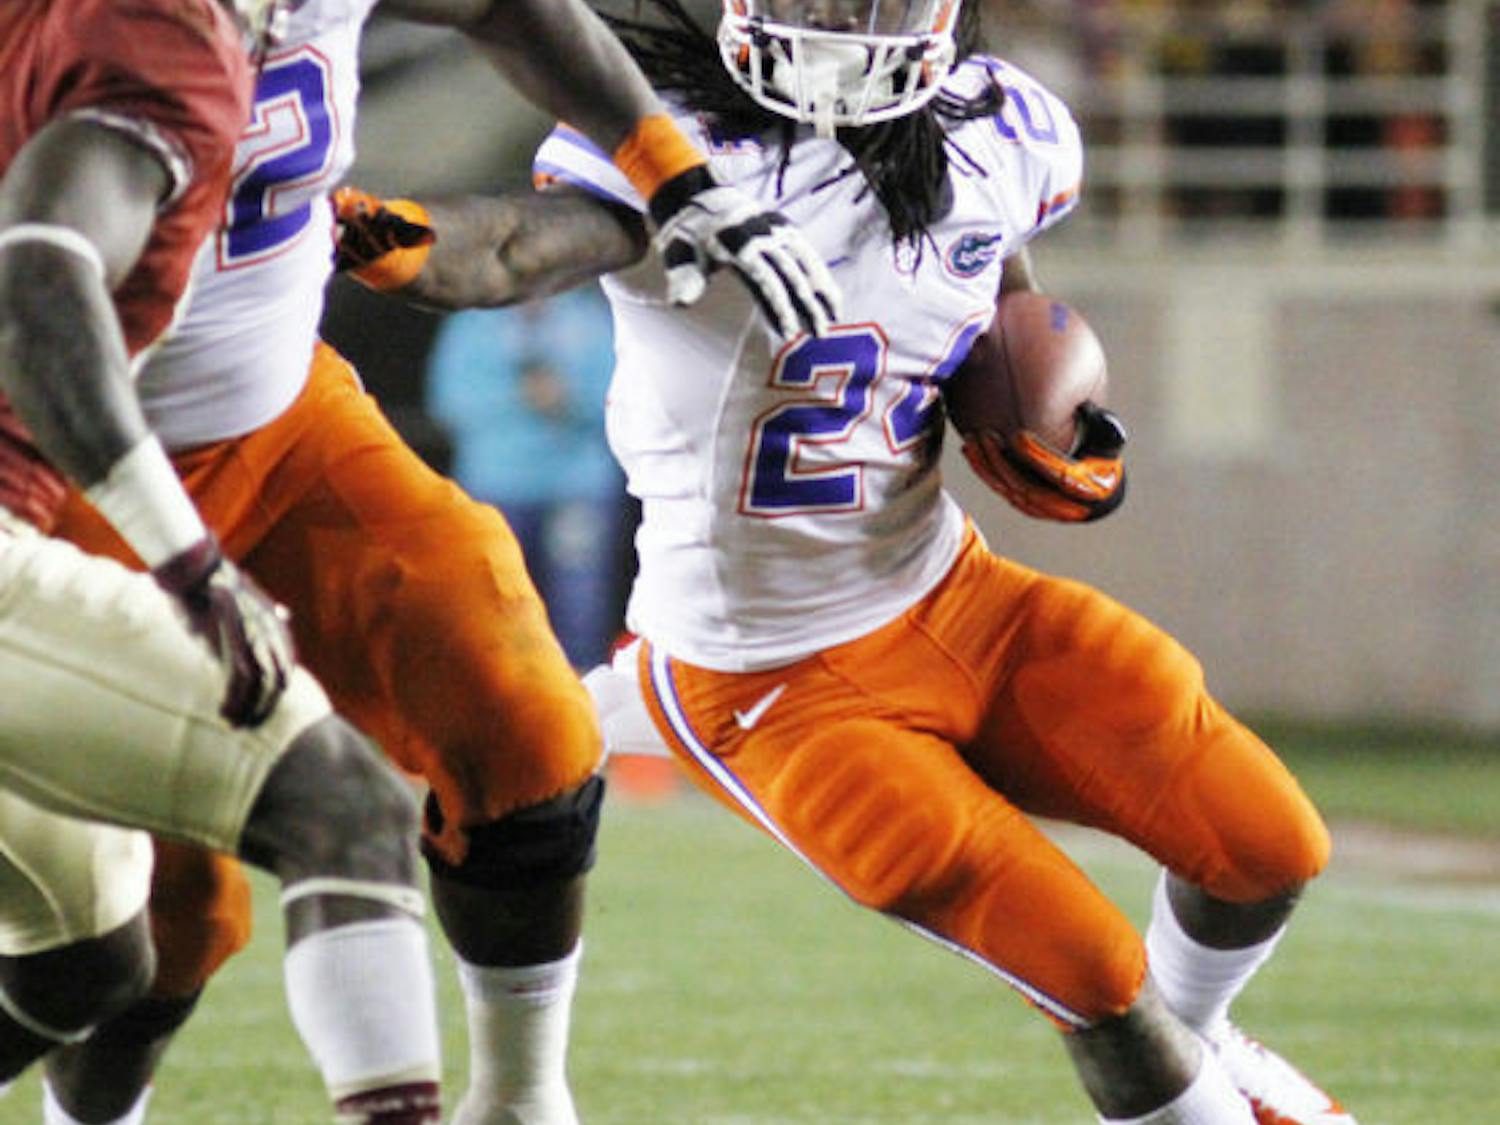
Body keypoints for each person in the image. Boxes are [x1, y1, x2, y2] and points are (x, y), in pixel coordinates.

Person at [331, 1, 1363, 1122]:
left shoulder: (998, 130)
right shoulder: (675, 146)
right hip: (769, 679)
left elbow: (993, 285)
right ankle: (1189, 1077)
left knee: (1268, 843)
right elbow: (521, 246)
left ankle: (1203, 1043)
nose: (830, 16)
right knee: (1094, 974)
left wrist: (1036, 412)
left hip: (952, 596)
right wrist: (375, 234)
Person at [46, 1, 840, 1123]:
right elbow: (40, 291)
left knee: (526, 722)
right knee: (160, 922)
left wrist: (672, 169)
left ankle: (520, 1101)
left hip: (280, 422)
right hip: (58, 467)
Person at [0, 2, 443, 1123]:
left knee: (85, 967)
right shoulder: (162, 34)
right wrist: (190, 563)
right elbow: (38, 284)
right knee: (344, 805)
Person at [425, 289, 628, 670]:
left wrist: (569, 400)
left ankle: (580, 701)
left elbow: (625, 402)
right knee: (494, 602)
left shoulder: (590, 321)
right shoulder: (473, 325)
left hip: (577, 487)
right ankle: (499, 695)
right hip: (497, 484)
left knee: (579, 605)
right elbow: (448, 402)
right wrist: (521, 398)